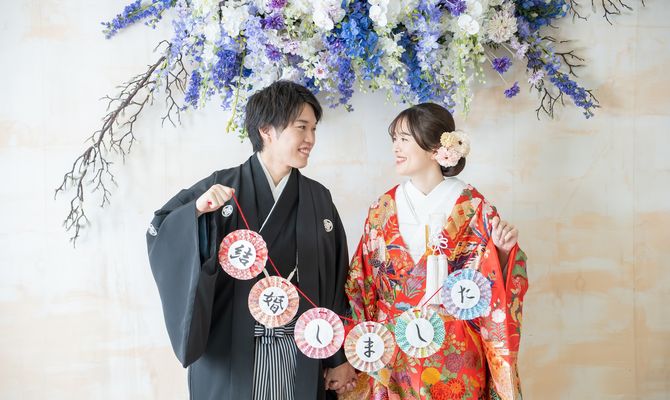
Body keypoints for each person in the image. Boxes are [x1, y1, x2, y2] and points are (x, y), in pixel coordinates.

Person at [146, 80, 356, 399]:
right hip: (231, 353)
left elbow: (337, 280)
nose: (311, 139)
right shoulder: (222, 187)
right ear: (266, 130)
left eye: (314, 129)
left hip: (301, 352)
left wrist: (337, 358)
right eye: (301, 127)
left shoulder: (318, 198)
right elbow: (161, 228)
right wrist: (198, 213)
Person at [343, 103, 529, 399]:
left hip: (454, 351)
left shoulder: (473, 207)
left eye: (404, 139)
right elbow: (360, 282)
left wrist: (503, 253)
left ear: (435, 149)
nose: (395, 147)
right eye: (394, 139)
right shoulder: (382, 208)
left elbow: (492, 284)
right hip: (392, 349)